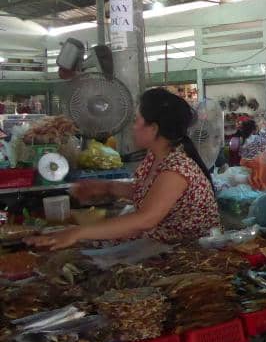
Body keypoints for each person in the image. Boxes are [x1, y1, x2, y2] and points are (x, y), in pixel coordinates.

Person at [28, 89, 220, 250]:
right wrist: (106, 187)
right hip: (159, 245)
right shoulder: (156, 156)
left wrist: (78, 233)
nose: (132, 127)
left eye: (137, 120)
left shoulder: (177, 168)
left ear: (153, 128)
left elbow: (145, 219)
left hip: (187, 254)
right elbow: (148, 193)